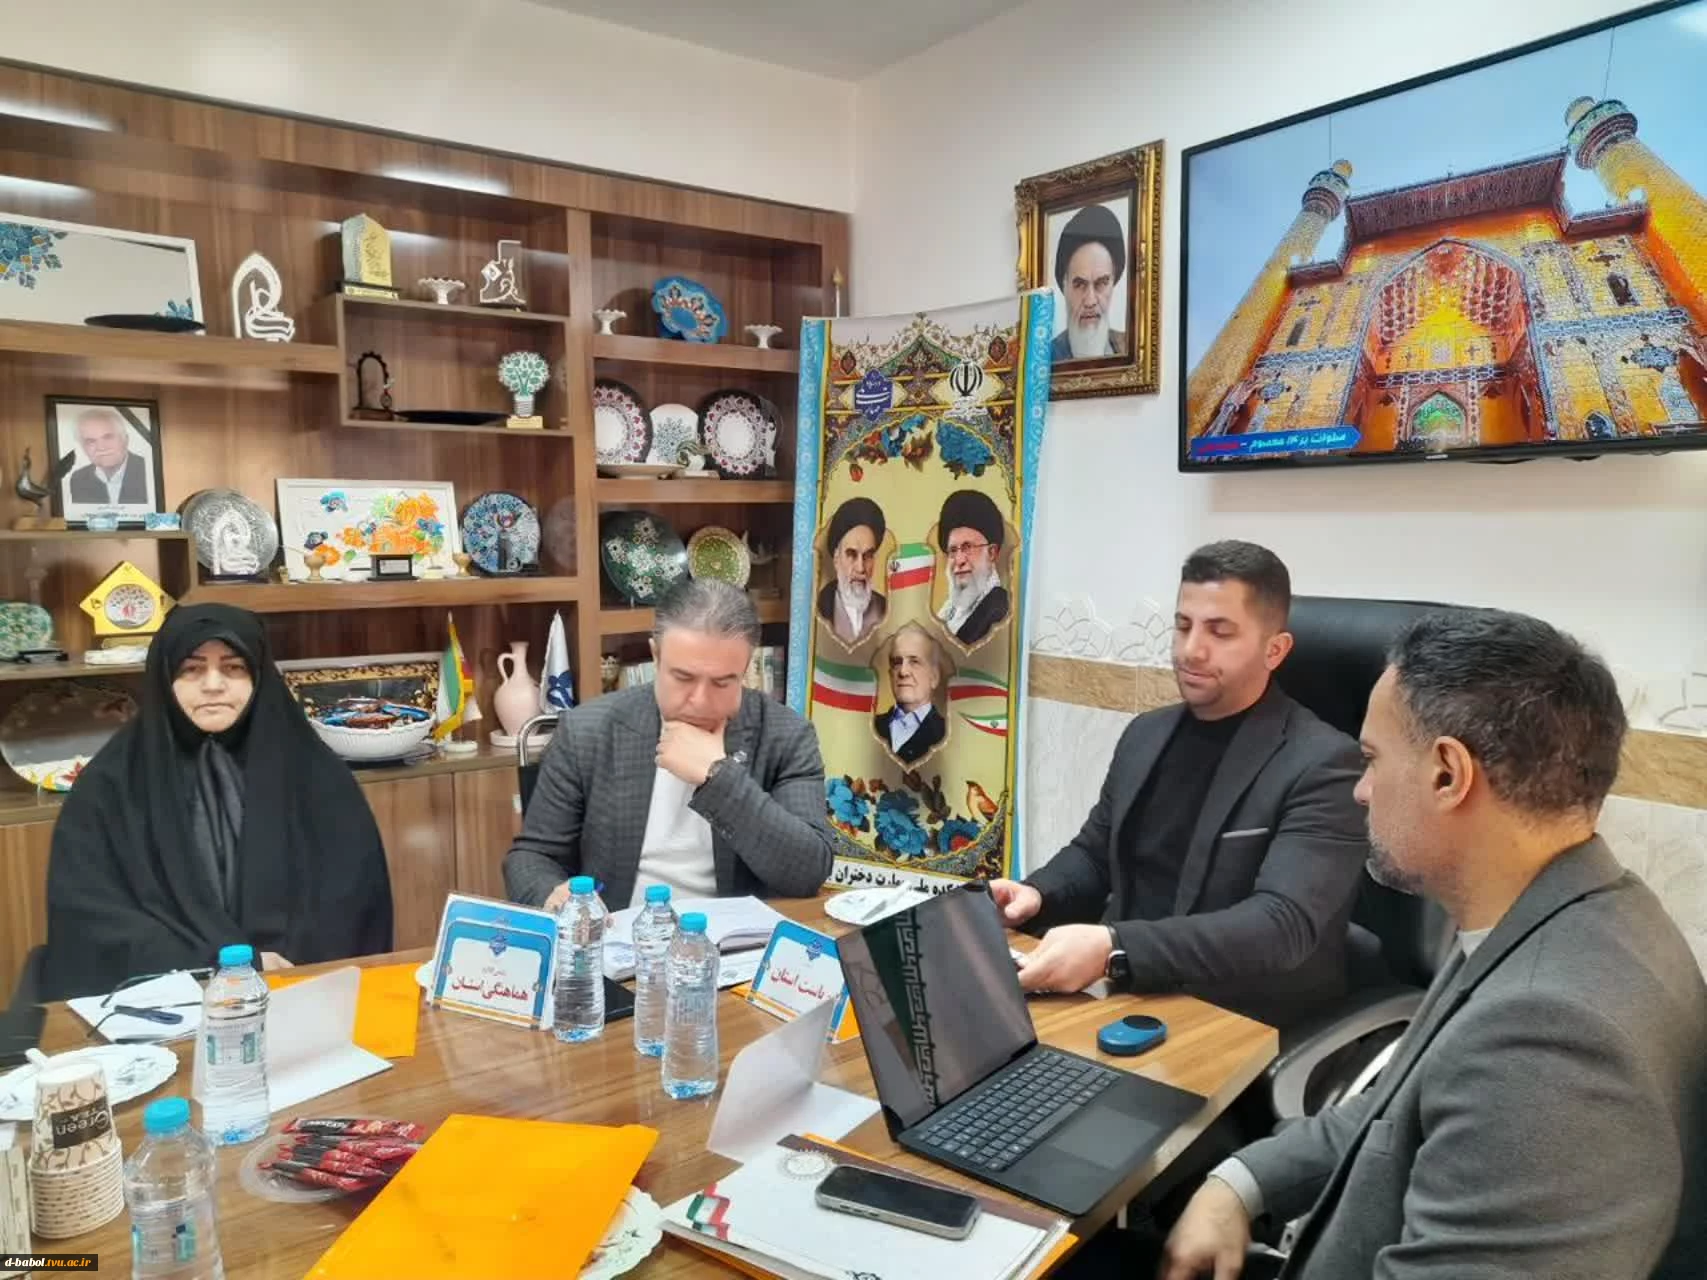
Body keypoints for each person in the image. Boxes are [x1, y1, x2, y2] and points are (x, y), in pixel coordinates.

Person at [1162, 609, 1707, 1280]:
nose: (1360, 791)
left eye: (1370, 760)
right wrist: (1237, 1183)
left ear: (1448, 774)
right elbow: (1393, 1110)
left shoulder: (1548, 1042)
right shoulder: (1559, 913)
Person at [991, 541, 1365, 1028]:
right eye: (1184, 625)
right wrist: (1037, 894)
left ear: (1275, 650)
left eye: (1220, 632)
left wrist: (1114, 946)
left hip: (1239, 1016)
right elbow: (1095, 854)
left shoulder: (1325, 764)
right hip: (1128, 995)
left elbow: (1280, 925)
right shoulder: (1145, 734)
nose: (1191, 650)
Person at [39, 604, 394, 1000]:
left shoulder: (315, 777)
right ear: (164, 677)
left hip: (300, 996)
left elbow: (351, 902)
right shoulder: (111, 786)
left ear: (259, 674)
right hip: (168, 1004)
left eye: (233, 667)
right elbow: (93, 918)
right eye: (192, 669)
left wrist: (282, 971)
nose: (213, 685)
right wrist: (218, 964)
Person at [505, 578, 834, 911]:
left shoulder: (786, 736)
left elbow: (807, 871)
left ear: (745, 670)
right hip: (618, 930)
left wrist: (717, 777)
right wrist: (550, 894)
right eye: (683, 678)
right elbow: (532, 857)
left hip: (739, 936)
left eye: (722, 683)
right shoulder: (588, 732)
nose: (700, 701)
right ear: (656, 655)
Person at [1051, 204, 1128, 361]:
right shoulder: (1048, 358)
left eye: (1101, 283)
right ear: (1065, 286)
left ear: (1113, 282)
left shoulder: (1129, 348)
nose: (1090, 301)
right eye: (1079, 285)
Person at [937, 489, 1010, 646]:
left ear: (991, 553)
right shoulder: (950, 611)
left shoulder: (999, 611)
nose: (959, 560)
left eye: (967, 547)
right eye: (953, 550)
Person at [817, 497, 888, 646]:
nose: (861, 568)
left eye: (868, 556)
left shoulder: (885, 609)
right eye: (851, 555)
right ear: (837, 558)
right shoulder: (819, 608)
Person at [874, 623, 948, 765]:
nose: (903, 672)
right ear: (890, 674)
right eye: (897, 662)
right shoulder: (870, 728)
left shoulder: (947, 734)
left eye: (914, 662)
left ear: (934, 677)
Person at [65, 406, 150, 506]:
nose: (101, 447)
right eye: (91, 441)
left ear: (125, 440)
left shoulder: (149, 470)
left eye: (108, 437)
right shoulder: (78, 479)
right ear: (83, 447)